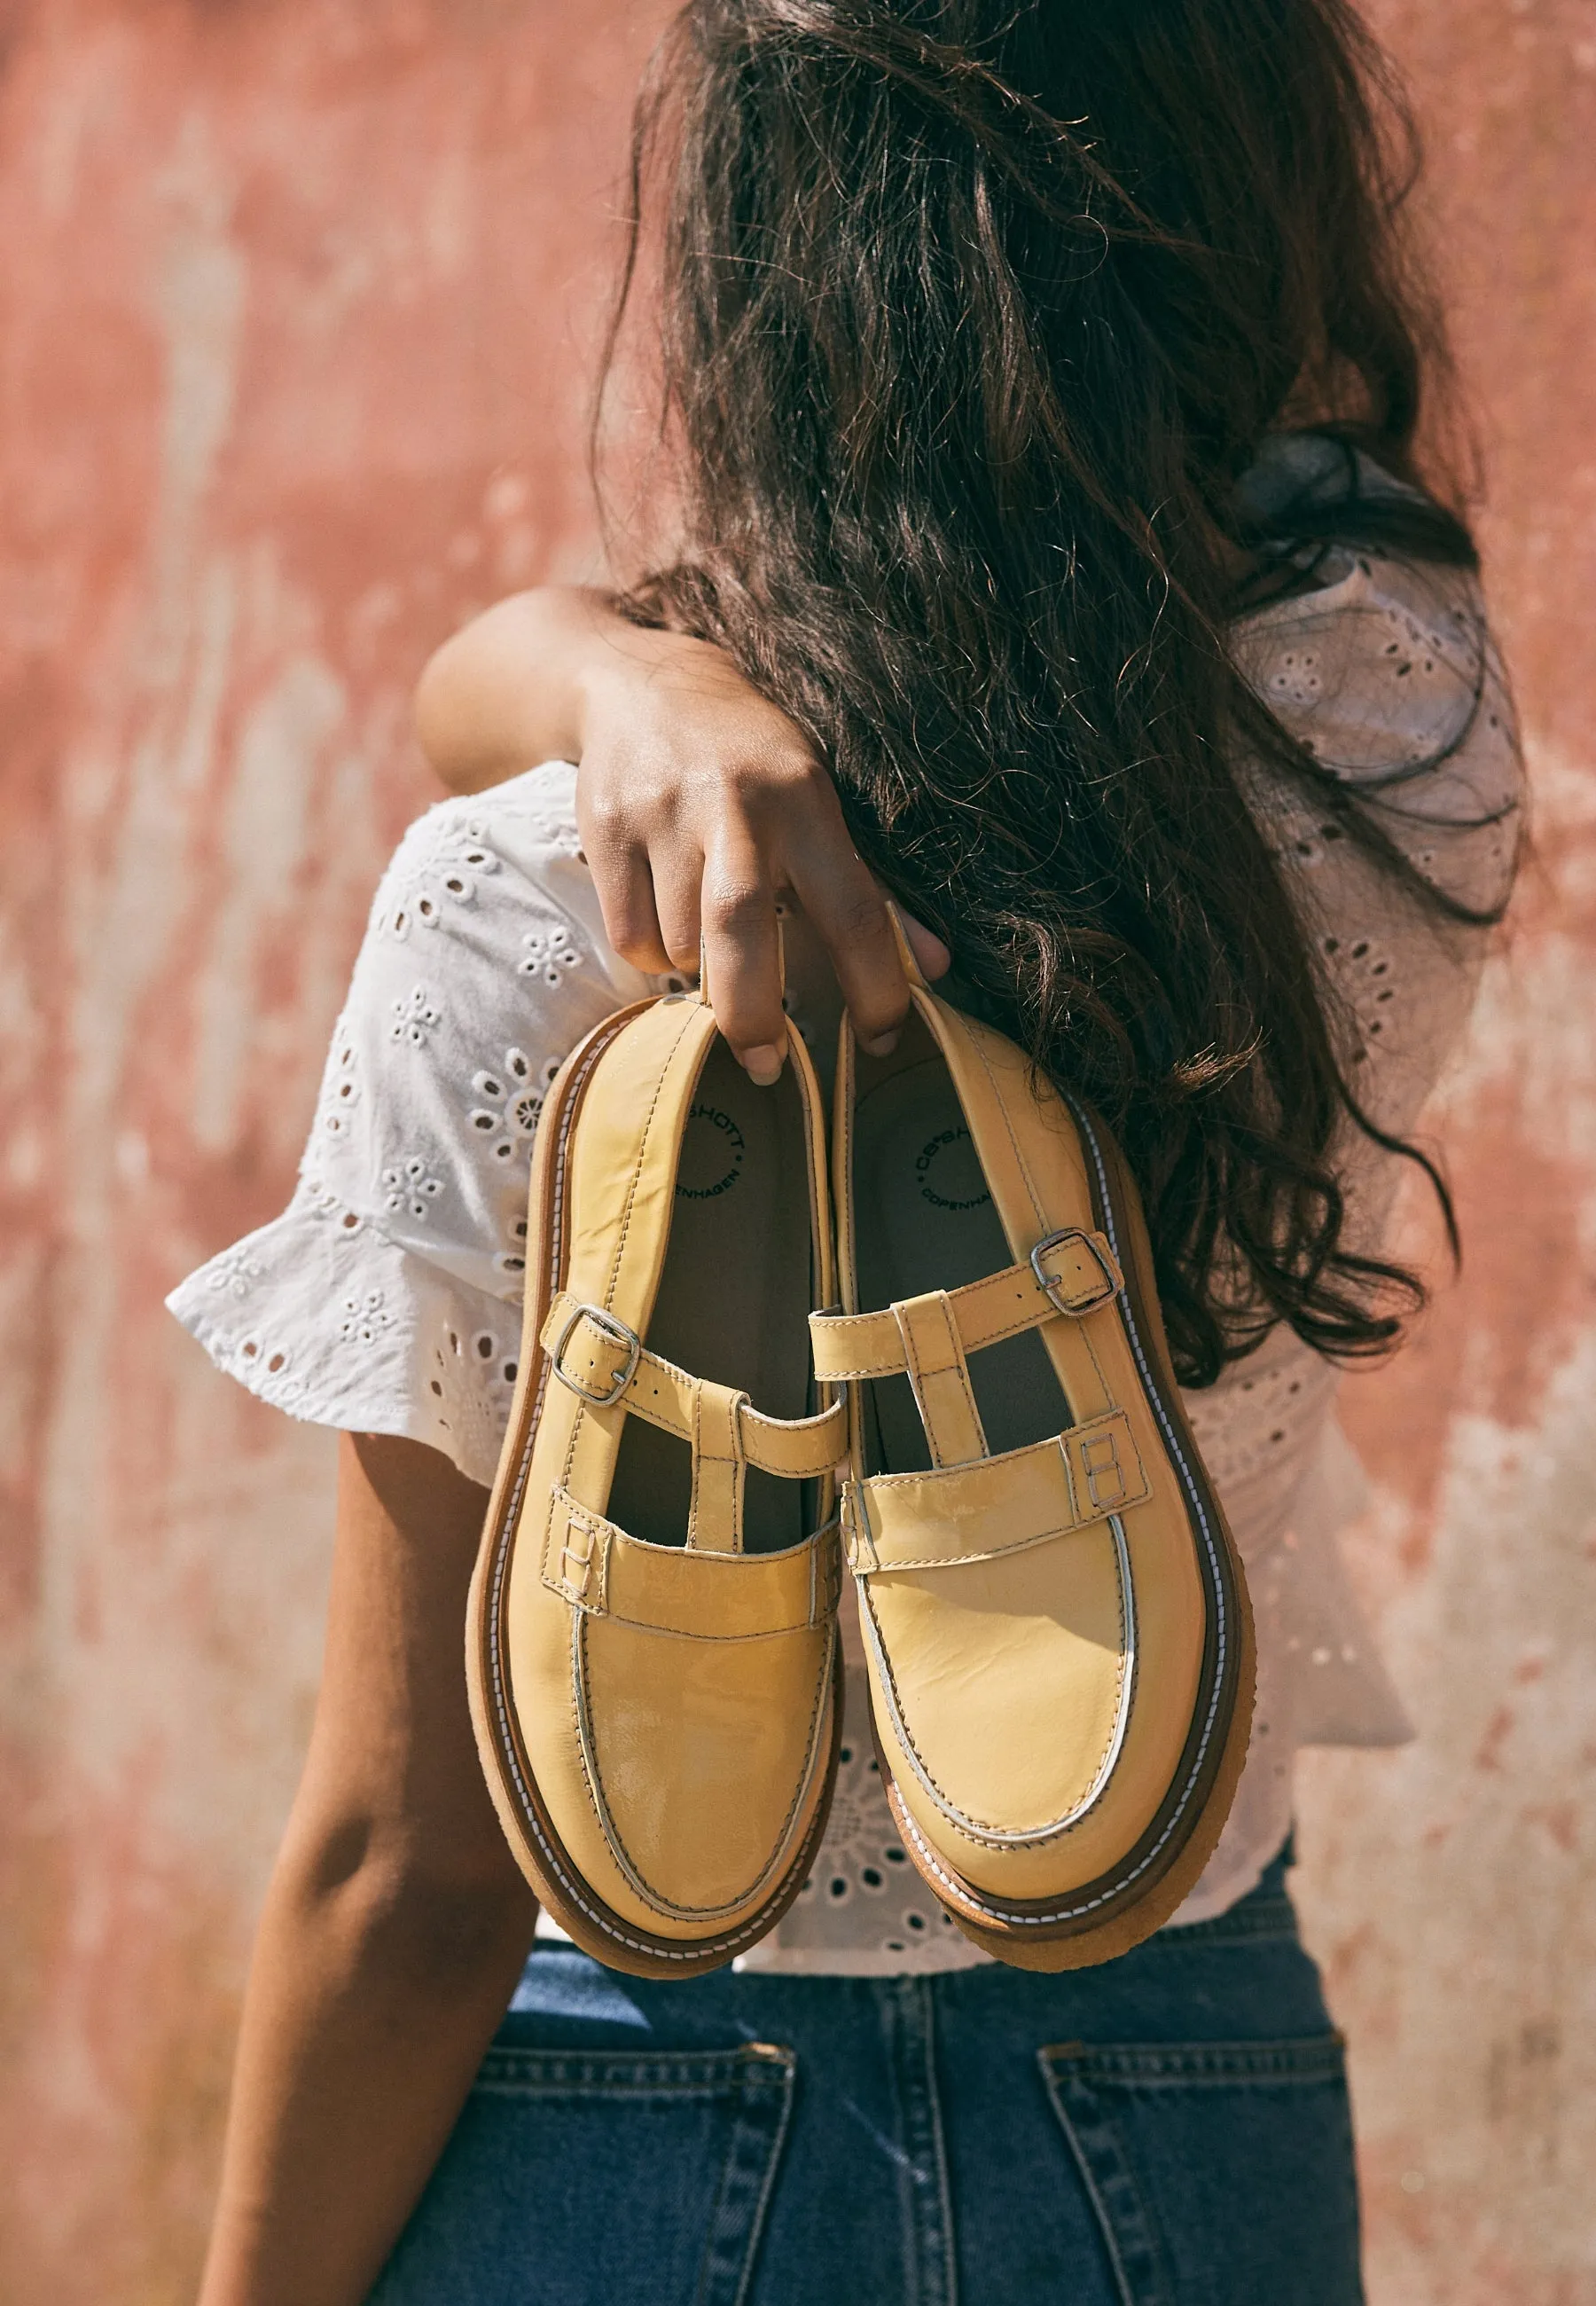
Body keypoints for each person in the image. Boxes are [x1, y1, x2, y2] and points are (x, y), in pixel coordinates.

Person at [168, 2, 1522, 2300]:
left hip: (620, 2095)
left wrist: (621, 682)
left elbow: (416, 1874)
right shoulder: (1392, 741)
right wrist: (619, 678)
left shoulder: (534, 908)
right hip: (1184, 2082)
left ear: (771, 249)